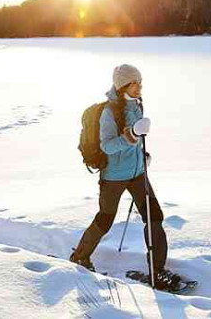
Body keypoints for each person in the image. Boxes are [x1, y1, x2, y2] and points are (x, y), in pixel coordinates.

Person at [70, 64, 180, 290]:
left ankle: (156, 271)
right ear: (123, 86)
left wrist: (142, 156)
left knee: (154, 216)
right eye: (135, 83)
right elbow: (108, 146)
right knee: (105, 219)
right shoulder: (110, 113)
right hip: (114, 177)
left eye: (140, 83)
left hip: (138, 174)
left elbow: (135, 140)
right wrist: (132, 134)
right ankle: (80, 256)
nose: (140, 87)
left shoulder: (136, 105)